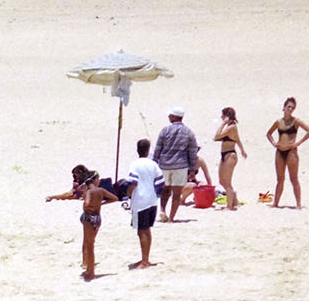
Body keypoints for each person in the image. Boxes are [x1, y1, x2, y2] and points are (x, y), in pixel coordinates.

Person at [46, 165, 118, 281]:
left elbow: (87, 203)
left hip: (89, 218)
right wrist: (101, 204)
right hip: (97, 218)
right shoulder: (101, 191)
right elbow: (115, 198)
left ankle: (90, 271)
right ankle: (89, 269)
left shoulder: (88, 192)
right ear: (94, 180)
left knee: (88, 244)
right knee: (91, 244)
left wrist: (87, 207)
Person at [152, 107, 199, 223]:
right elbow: (192, 152)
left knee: (165, 190)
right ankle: (171, 218)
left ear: (174, 117)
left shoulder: (165, 131)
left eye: (170, 115)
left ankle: (162, 210)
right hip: (180, 166)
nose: (168, 117)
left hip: (164, 165)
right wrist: (192, 169)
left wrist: (154, 162)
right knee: (177, 194)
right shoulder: (189, 132)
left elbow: (158, 148)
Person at [267, 96, 309, 209]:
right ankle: (275, 203)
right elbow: (268, 133)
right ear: (284, 107)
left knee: (294, 179)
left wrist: (298, 143)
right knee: (280, 179)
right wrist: (274, 143)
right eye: (289, 107)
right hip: (280, 151)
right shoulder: (278, 122)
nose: (290, 109)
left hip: (291, 151)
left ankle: (298, 204)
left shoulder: (296, 121)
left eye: (292, 107)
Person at [126, 138, 164, 269]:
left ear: (137, 150)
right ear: (148, 150)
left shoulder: (135, 165)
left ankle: (145, 261)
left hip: (140, 201)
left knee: (141, 231)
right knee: (147, 230)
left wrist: (127, 195)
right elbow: (160, 183)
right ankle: (146, 258)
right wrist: (156, 195)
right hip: (152, 200)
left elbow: (133, 183)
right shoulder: (154, 164)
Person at [213, 107, 246, 210]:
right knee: (222, 181)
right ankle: (234, 201)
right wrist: (242, 150)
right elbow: (238, 139)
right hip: (225, 154)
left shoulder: (231, 127)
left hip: (230, 155)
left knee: (227, 181)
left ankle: (230, 206)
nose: (221, 117)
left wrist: (223, 123)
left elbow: (217, 136)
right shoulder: (230, 127)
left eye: (223, 116)